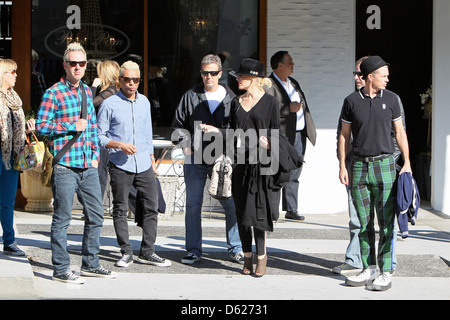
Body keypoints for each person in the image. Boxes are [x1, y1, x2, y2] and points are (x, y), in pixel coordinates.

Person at [37, 43, 117, 284]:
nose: (78, 67)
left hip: (87, 164)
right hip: (65, 164)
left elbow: (92, 127)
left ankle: (90, 263)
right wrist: (70, 126)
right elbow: (42, 127)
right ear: (65, 65)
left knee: (96, 215)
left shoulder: (85, 92)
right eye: (73, 63)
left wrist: (94, 154)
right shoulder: (53, 93)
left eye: (82, 63)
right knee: (62, 219)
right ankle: (61, 268)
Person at [201, 58, 282, 277]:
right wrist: (218, 132)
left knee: (259, 214)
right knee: (242, 212)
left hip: (262, 165)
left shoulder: (271, 103)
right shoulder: (236, 102)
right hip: (240, 164)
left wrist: (270, 146)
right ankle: (247, 256)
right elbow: (234, 134)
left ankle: (262, 257)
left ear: (255, 78)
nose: (237, 80)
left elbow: (278, 135)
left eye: (242, 76)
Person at [338, 55, 411, 291]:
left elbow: (400, 133)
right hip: (358, 166)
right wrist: (342, 165)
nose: (387, 79)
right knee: (364, 221)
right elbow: (344, 135)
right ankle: (368, 269)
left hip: (386, 165)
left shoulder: (392, 100)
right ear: (371, 77)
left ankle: (385, 271)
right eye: (384, 75)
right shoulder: (350, 101)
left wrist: (407, 163)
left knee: (387, 222)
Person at [97, 60, 171, 268]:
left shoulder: (144, 102)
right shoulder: (109, 104)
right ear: (120, 80)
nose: (131, 83)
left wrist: (152, 161)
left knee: (152, 206)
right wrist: (119, 145)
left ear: (140, 80)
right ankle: (126, 251)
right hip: (120, 163)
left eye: (135, 80)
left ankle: (148, 251)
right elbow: (99, 136)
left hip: (144, 164)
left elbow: (147, 135)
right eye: (127, 79)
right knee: (120, 208)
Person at [172, 54, 243, 265]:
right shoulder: (190, 96)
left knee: (230, 203)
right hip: (195, 158)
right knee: (193, 205)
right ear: (201, 73)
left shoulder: (232, 98)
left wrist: (218, 132)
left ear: (220, 73)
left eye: (213, 73)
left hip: (223, 159)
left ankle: (236, 248)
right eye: (205, 73)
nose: (208, 77)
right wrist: (186, 147)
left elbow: (238, 132)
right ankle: (194, 249)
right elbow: (177, 126)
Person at [266, 51, 316, 220]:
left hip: (299, 133)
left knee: (295, 170)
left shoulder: (293, 83)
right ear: (279, 65)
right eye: (289, 62)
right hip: (282, 134)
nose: (293, 65)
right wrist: (288, 108)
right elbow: (268, 108)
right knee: (278, 170)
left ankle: (291, 209)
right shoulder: (268, 84)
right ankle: (272, 209)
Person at [0, 59, 35, 256]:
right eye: (12, 72)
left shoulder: (15, 99)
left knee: (7, 200)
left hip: (11, 157)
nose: (16, 75)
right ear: (2, 73)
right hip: (1, 153)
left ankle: (9, 241)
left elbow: (17, 133)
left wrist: (28, 132)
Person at [91, 60, 120, 200]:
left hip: (104, 139)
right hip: (109, 138)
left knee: (99, 174)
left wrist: (93, 86)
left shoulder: (110, 92)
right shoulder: (115, 91)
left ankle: (94, 208)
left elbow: (89, 105)